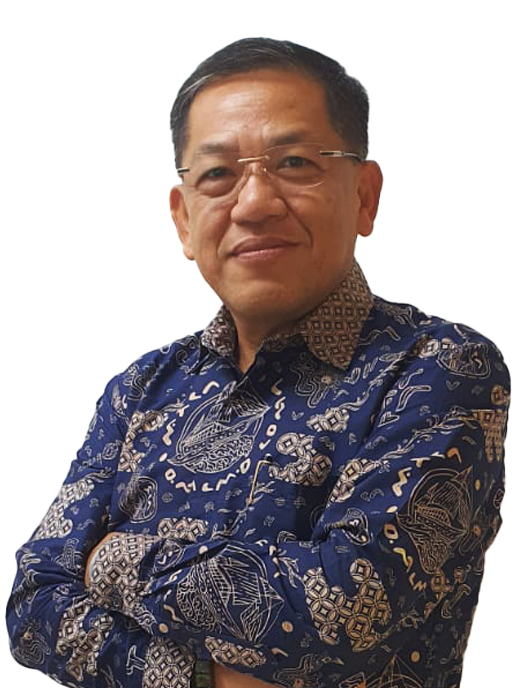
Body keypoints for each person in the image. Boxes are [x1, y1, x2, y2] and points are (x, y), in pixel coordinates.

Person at [6, 37, 510, 688]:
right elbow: (33, 606)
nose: (253, 203)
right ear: (184, 219)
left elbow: (342, 612)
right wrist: (204, 679)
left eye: (294, 162)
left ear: (364, 195)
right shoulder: (139, 390)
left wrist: (110, 560)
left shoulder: (438, 369)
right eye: (218, 174)